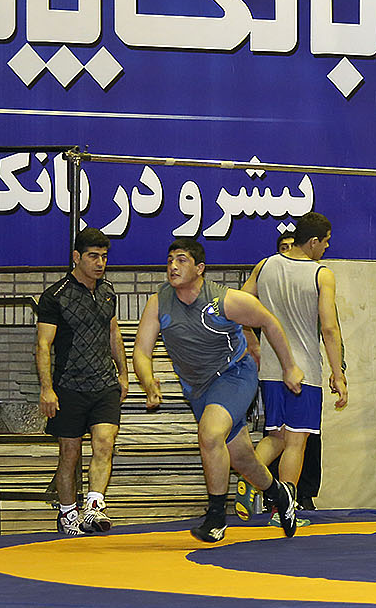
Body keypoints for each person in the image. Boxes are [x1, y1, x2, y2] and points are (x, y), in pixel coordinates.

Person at [133, 238, 304, 542]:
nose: (173, 266)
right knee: (243, 460)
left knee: (210, 434)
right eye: (170, 260)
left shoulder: (223, 300)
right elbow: (141, 351)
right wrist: (148, 381)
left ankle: (215, 518)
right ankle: (280, 494)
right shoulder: (158, 302)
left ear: (199, 268)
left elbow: (269, 321)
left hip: (233, 375)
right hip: (197, 390)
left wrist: (289, 367)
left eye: (182, 260)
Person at [238, 212, 347, 528]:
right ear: (313, 241)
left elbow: (239, 305)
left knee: (276, 437)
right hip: (303, 371)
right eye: (325, 242)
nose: (326, 248)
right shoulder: (321, 275)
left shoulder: (265, 265)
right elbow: (329, 328)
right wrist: (338, 372)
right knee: (297, 442)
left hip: (272, 370)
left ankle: (249, 475)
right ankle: (284, 512)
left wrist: (253, 343)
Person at [34, 227, 126, 535]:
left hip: (104, 384)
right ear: (77, 257)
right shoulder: (55, 296)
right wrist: (47, 389)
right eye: (93, 256)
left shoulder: (108, 292)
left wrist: (123, 373)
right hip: (69, 386)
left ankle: (94, 505)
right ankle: (67, 513)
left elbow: (113, 333)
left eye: (104, 257)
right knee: (70, 454)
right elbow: (43, 345)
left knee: (105, 443)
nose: (100, 263)